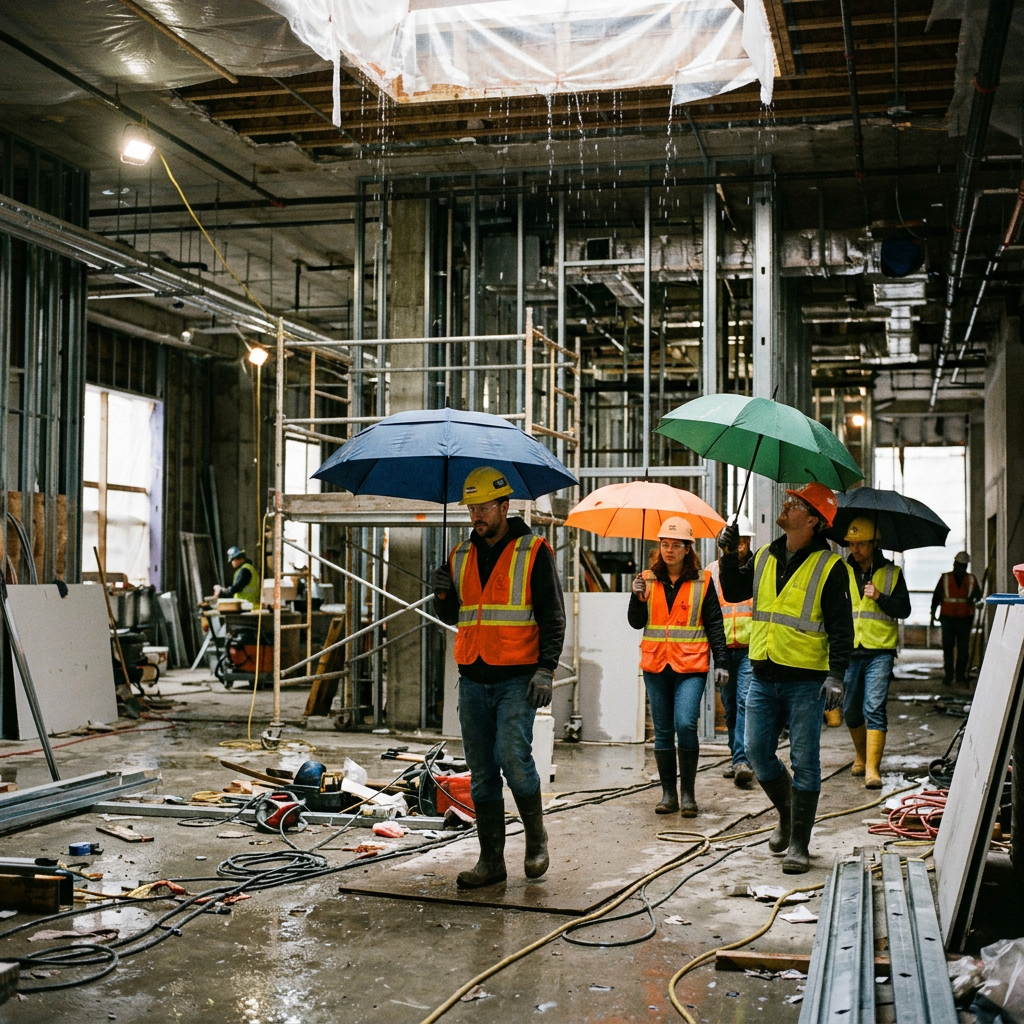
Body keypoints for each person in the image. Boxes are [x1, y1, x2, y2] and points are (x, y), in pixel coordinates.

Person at [430, 466, 566, 889]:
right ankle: (491, 861)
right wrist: (441, 596)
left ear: (504, 506)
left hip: (517, 678)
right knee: (482, 771)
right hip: (472, 675)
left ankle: (536, 838)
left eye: (484, 507)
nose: (476, 516)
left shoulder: (533, 550)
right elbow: (456, 616)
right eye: (471, 508)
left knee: (513, 757)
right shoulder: (459, 555)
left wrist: (546, 669)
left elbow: (552, 616)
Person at [718, 482, 853, 874]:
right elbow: (733, 588)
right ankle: (789, 813)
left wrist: (837, 677)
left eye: (796, 504)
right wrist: (728, 553)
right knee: (757, 752)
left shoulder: (830, 568)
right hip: (762, 673)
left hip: (805, 681)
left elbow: (842, 630)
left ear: (813, 520)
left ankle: (799, 843)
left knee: (805, 762)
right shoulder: (763, 555)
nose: (786, 505)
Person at [628, 517, 729, 817]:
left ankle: (688, 794)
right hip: (656, 664)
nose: (669, 550)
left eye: (676, 545)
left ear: (688, 549)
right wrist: (636, 598)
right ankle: (668, 794)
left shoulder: (703, 581)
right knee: (662, 731)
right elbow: (636, 622)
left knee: (685, 724)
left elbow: (715, 624)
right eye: (664, 544)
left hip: (691, 665)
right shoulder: (646, 579)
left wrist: (721, 662)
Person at [842, 518, 911, 789]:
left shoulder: (892, 573)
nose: (855, 549)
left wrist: (880, 596)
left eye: (861, 544)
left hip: (879, 651)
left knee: (874, 707)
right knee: (850, 710)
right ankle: (860, 755)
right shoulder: (842, 571)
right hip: (850, 650)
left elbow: (904, 610)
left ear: (874, 544)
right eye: (852, 544)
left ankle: (873, 768)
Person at [707, 514, 755, 789]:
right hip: (723, 651)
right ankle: (738, 757)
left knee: (745, 702)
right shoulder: (712, 571)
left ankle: (742, 760)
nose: (740, 546)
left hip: (750, 648)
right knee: (730, 708)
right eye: (736, 541)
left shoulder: (755, 570)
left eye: (744, 541)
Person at [930, 551, 981, 686]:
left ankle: (960, 676)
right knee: (948, 648)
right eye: (958, 565)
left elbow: (978, 596)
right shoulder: (945, 579)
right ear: (954, 564)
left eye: (962, 566)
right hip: (948, 619)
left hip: (965, 619)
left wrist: (977, 601)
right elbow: (936, 598)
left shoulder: (971, 580)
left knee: (963, 650)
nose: (960, 568)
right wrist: (932, 616)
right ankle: (949, 676)